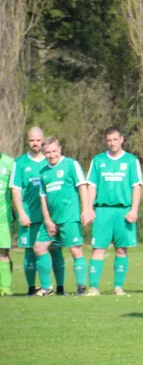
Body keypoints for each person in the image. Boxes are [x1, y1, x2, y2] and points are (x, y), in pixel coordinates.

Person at [86, 126, 143, 296]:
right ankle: (93, 287)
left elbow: (137, 186)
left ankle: (118, 286)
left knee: (121, 249)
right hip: (102, 211)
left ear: (121, 139)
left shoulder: (131, 161)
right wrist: (88, 208)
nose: (112, 143)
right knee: (98, 249)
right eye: (109, 140)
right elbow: (91, 186)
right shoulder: (98, 160)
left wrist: (134, 210)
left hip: (123, 211)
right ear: (106, 141)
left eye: (115, 139)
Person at [10, 127, 65, 296]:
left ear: (43, 139)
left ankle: (59, 287)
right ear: (28, 141)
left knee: (55, 250)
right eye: (31, 140)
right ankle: (31, 288)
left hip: (51, 217)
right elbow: (16, 190)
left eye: (38, 140)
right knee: (29, 251)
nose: (35, 143)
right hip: (29, 216)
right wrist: (21, 213)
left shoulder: (51, 160)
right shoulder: (20, 163)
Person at [34, 138, 90, 296]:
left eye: (53, 151)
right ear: (44, 153)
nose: (51, 155)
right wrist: (47, 219)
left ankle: (81, 288)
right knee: (39, 248)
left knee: (75, 251)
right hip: (51, 220)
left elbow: (82, 187)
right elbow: (43, 197)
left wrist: (86, 210)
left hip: (69, 217)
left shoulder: (71, 164)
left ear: (59, 148)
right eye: (47, 152)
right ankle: (47, 287)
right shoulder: (43, 172)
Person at [0, 151, 15, 297]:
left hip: (3, 217)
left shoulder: (10, 162)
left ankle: (6, 288)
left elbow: (16, 189)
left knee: (3, 253)